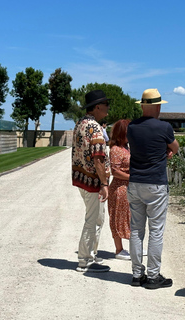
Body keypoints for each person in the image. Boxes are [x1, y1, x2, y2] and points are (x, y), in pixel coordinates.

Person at [127, 88, 179, 289]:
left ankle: (136, 274)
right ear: (157, 106)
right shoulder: (164, 127)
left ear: (142, 106)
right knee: (156, 231)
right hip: (156, 182)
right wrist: (165, 150)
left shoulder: (132, 127)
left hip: (135, 182)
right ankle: (153, 275)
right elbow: (175, 147)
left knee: (136, 230)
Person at [71, 89, 111, 273]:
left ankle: (91, 255)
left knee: (97, 218)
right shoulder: (94, 127)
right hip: (93, 181)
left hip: (81, 177)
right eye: (106, 105)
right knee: (93, 220)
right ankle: (84, 260)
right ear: (97, 107)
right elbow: (98, 158)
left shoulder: (80, 123)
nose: (108, 109)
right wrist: (104, 184)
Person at [107, 119, 132, 260]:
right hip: (119, 188)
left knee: (129, 217)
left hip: (127, 187)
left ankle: (133, 246)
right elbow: (115, 171)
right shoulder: (116, 150)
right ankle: (119, 249)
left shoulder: (126, 147)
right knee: (118, 218)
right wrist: (131, 177)